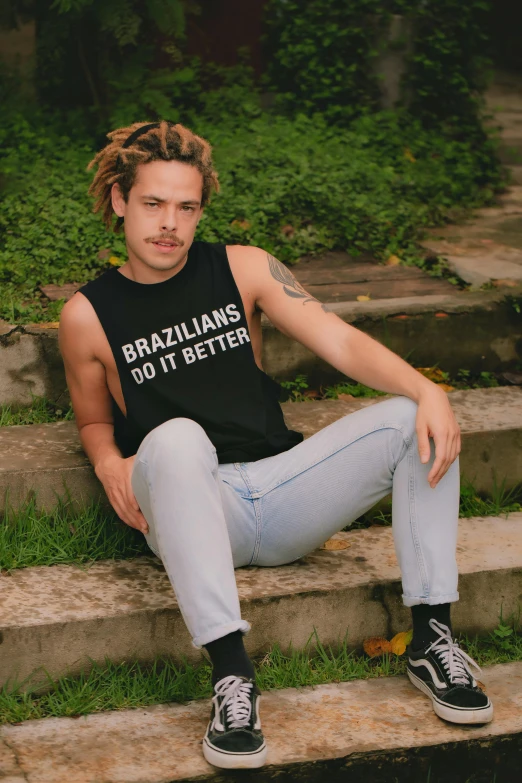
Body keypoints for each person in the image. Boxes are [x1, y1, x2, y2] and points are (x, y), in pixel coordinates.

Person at [59, 120, 493, 770]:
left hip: (282, 493)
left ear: (202, 208)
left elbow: (339, 341)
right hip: (191, 504)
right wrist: (108, 461)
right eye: (153, 203)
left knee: (409, 417)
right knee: (177, 438)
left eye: (187, 206)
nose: (169, 223)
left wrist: (428, 391)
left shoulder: (244, 268)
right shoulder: (88, 315)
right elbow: (94, 421)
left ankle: (430, 637)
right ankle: (232, 676)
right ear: (120, 200)